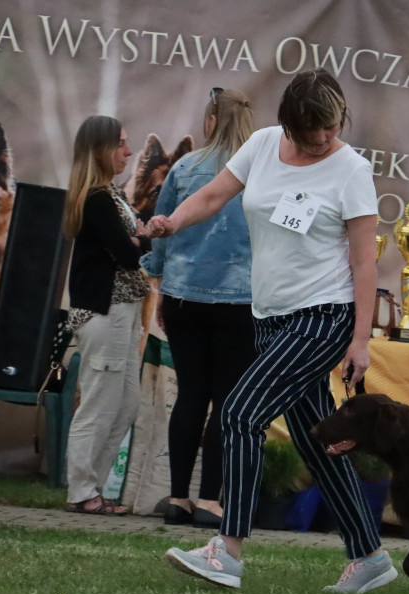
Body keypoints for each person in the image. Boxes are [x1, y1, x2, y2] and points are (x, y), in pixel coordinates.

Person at [145, 69, 396, 593]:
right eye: (314, 131)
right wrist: (171, 222)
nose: (326, 138)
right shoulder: (261, 146)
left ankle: (227, 550)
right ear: (290, 123)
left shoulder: (352, 169)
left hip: (323, 317)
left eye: (332, 127)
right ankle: (370, 556)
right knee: (316, 439)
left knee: (239, 412)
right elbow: (213, 197)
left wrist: (359, 340)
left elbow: (364, 263)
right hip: (269, 317)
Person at [140, 88, 258, 529]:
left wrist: (160, 283)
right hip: (240, 301)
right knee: (228, 401)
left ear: (210, 121)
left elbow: (163, 227)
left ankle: (177, 499)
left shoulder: (186, 167)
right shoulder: (259, 170)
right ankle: (211, 500)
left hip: (184, 296)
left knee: (191, 395)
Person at [63, 115, 151, 515]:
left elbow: (128, 245)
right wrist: (146, 235)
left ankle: (93, 487)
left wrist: (139, 235)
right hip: (106, 310)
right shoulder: (97, 199)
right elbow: (129, 254)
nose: (128, 152)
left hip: (126, 310)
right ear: (100, 149)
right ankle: (81, 491)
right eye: (120, 144)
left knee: (126, 405)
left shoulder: (111, 196)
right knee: (99, 404)